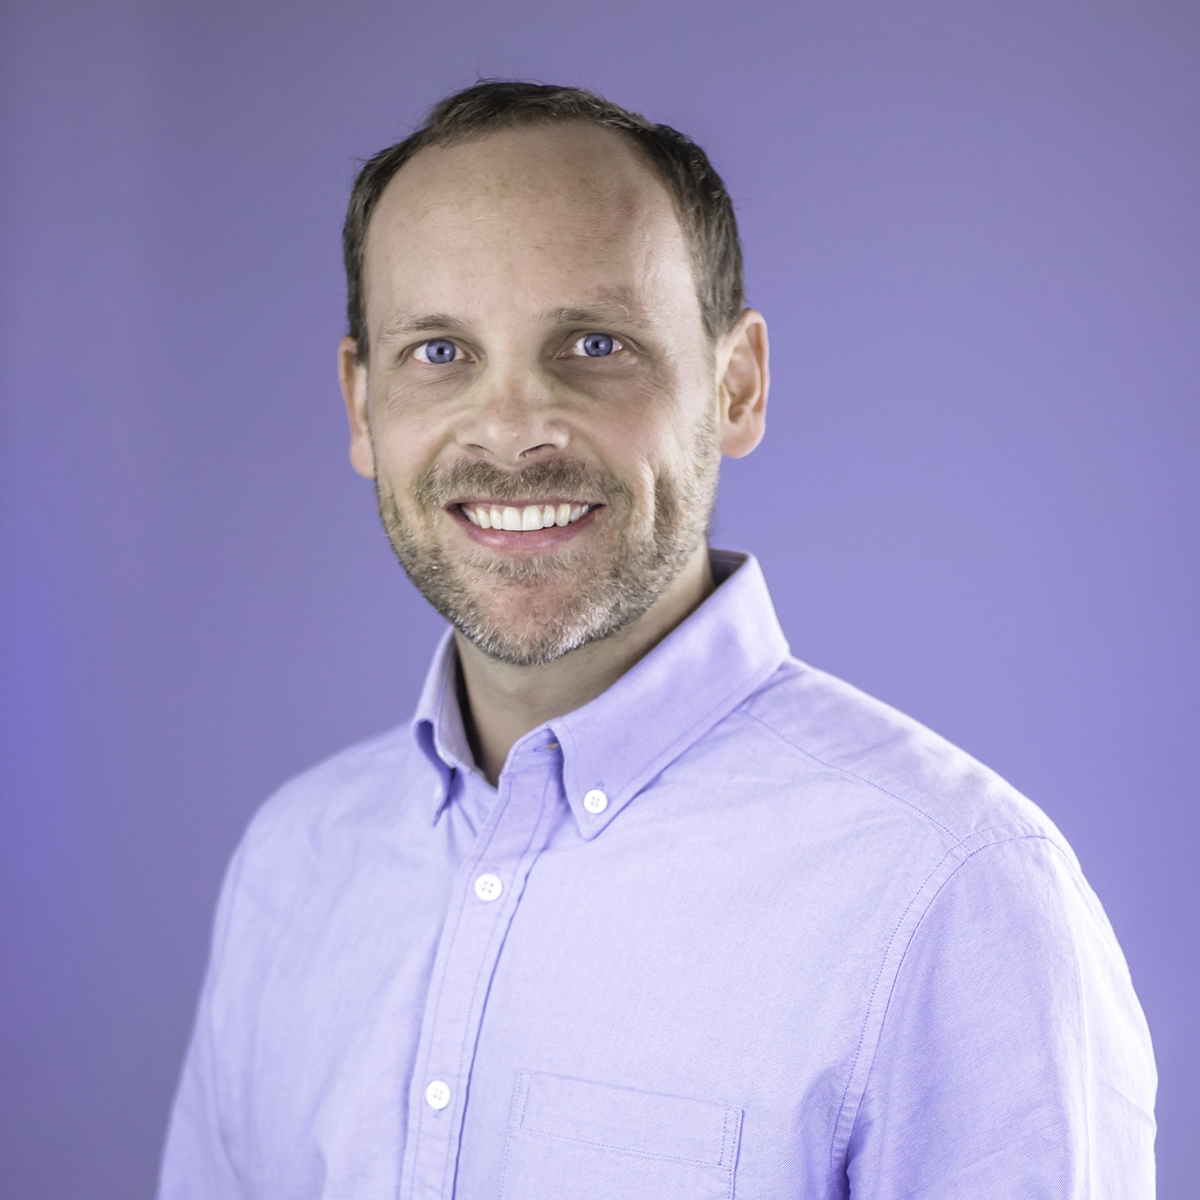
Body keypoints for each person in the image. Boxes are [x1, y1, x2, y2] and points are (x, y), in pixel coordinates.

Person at [158, 81, 1156, 1199]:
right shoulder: (293, 863)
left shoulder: (955, 892)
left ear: (735, 387)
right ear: (360, 407)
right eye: (440, 352)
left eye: (594, 342)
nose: (512, 430)